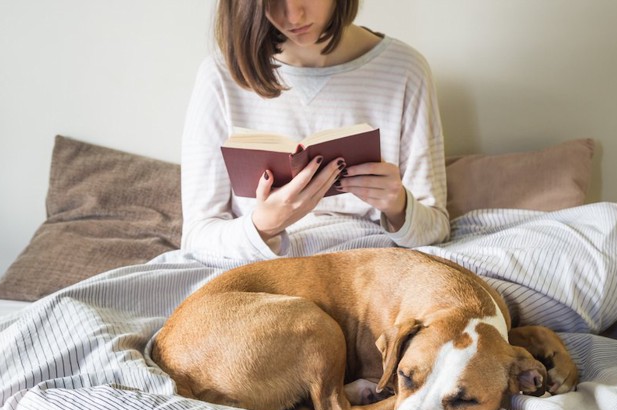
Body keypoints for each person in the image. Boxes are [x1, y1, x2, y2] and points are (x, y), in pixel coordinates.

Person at [180, 0, 450, 261]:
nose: (293, 15)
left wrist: (399, 206)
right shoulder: (220, 76)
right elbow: (195, 238)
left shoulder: (404, 70)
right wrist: (263, 225)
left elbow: (436, 227)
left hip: (369, 265)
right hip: (262, 267)